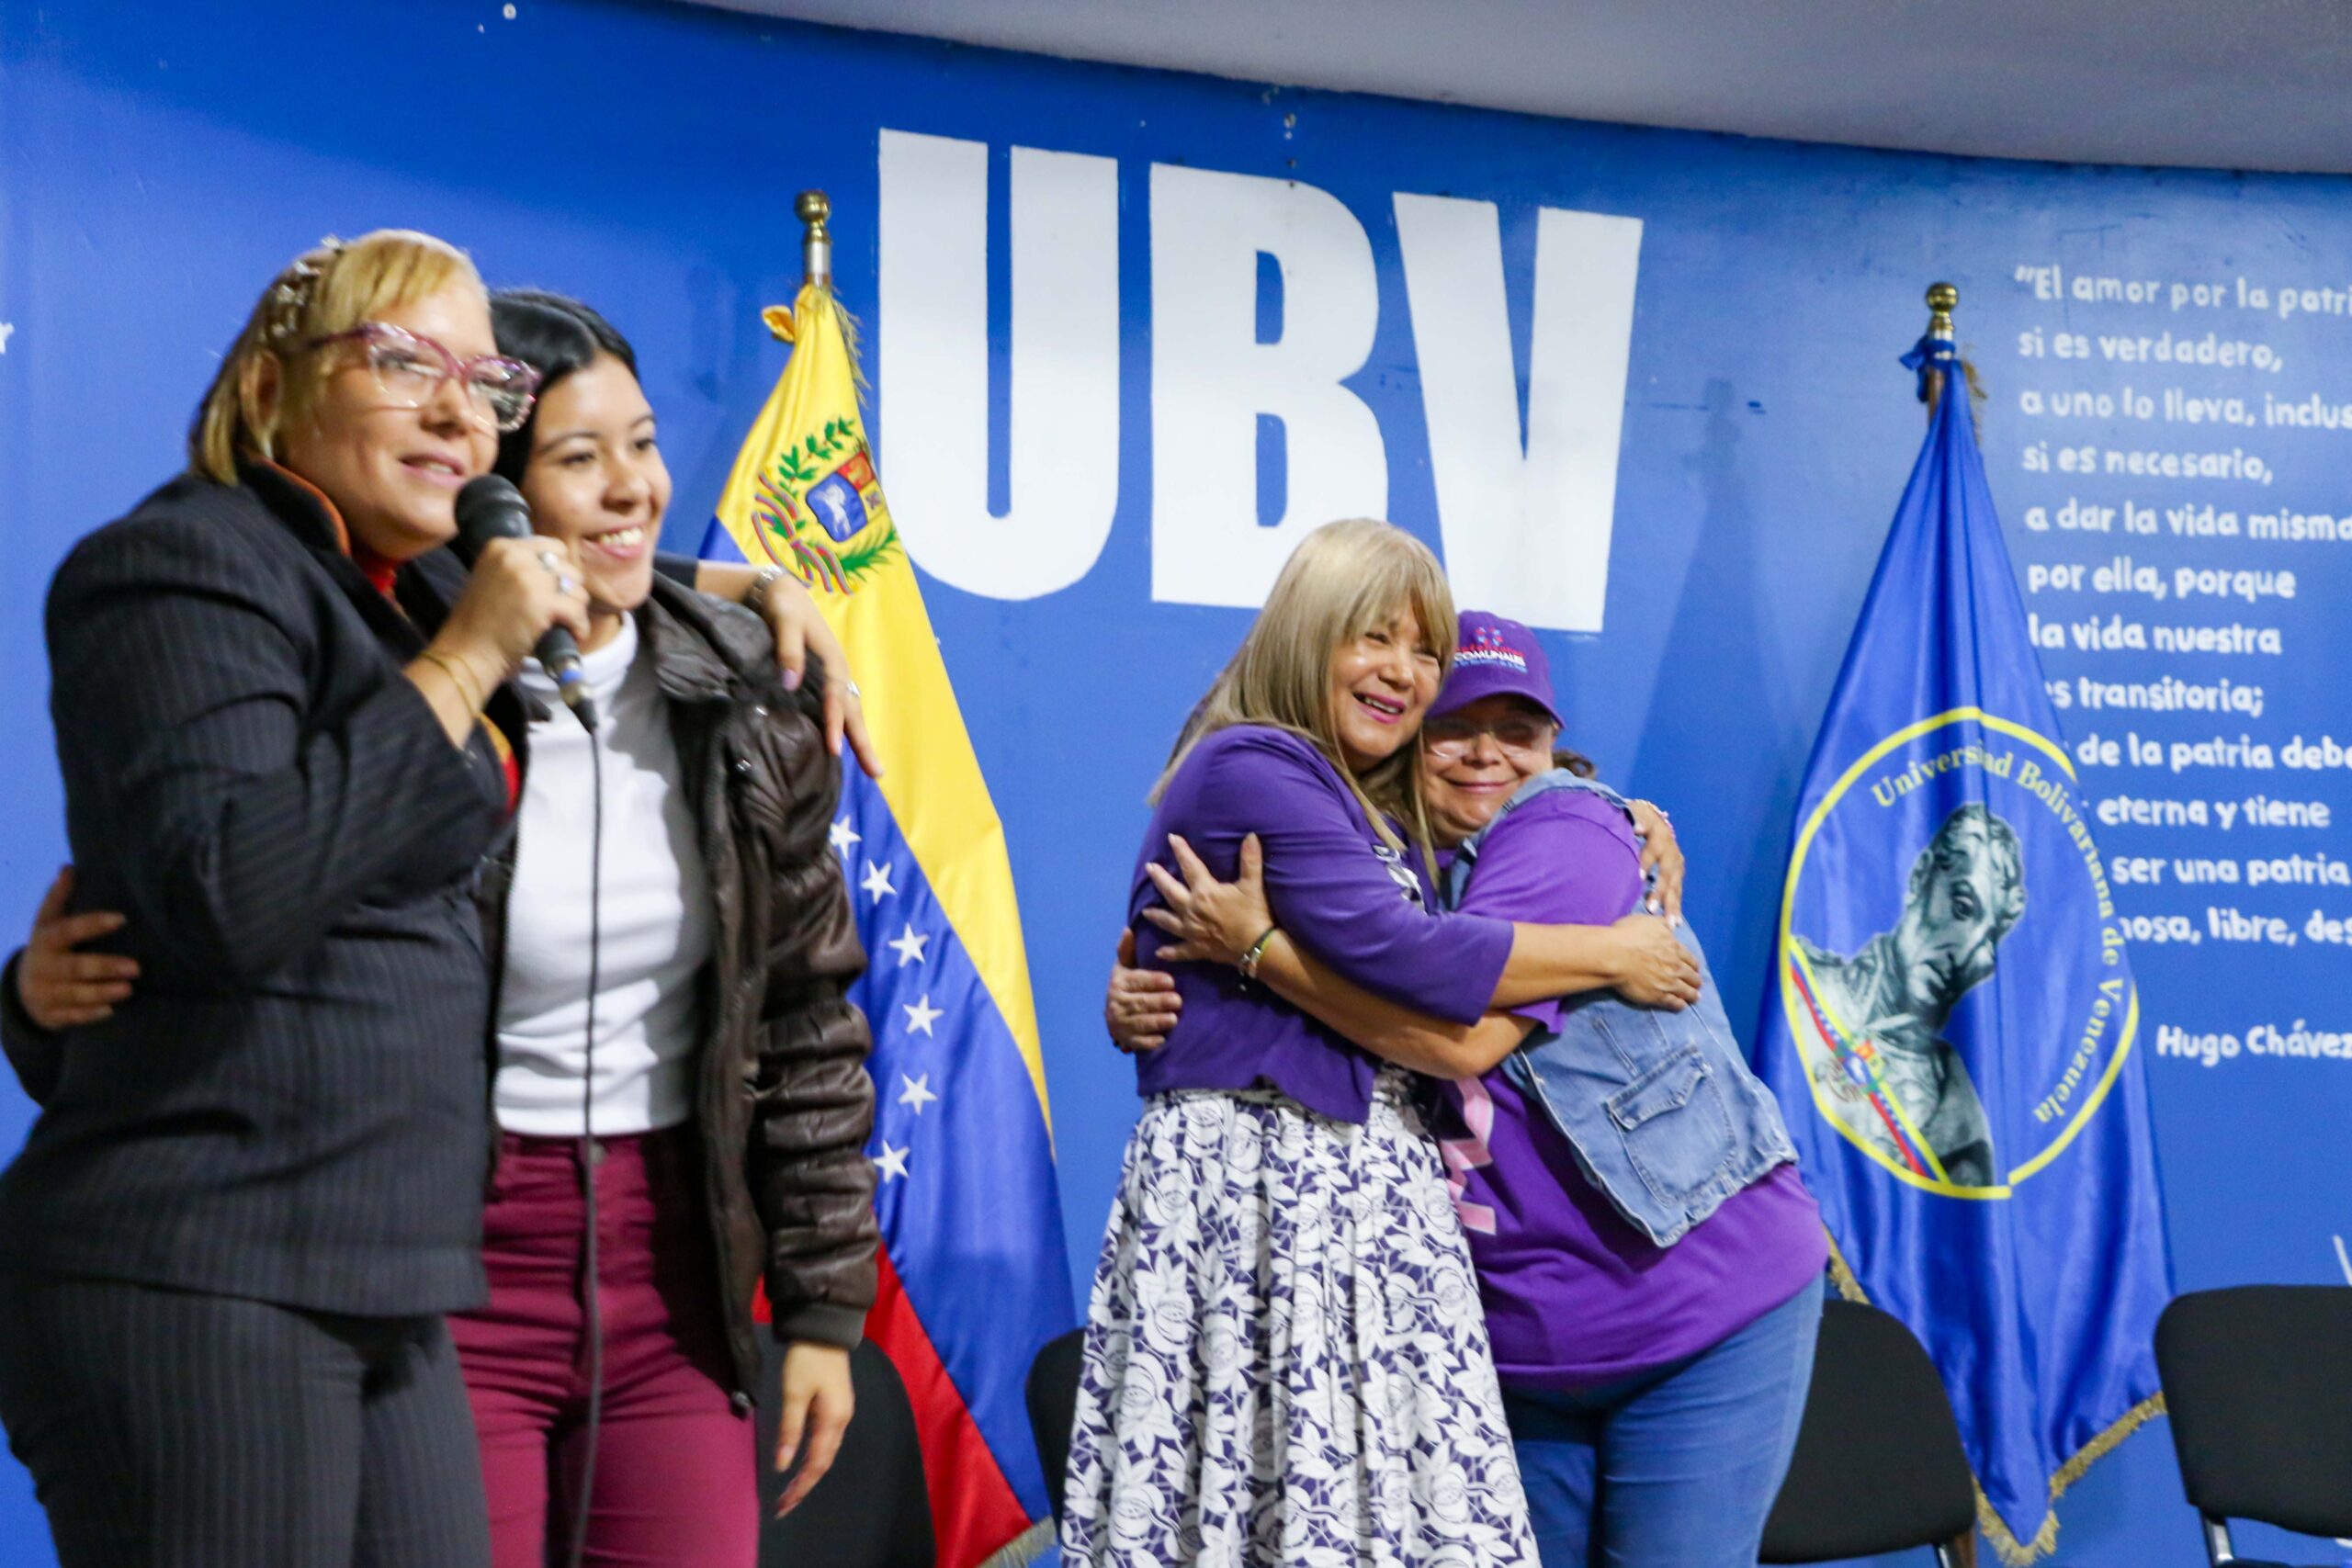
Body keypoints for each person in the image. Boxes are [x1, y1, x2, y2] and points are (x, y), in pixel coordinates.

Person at [5, 286, 881, 1568]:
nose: (633, 485)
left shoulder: (741, 687)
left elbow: (806, 1012)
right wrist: (29, 1001)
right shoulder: (380, 661)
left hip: (678, 1270)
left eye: (642, 442)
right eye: (579, 457)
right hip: (430, 1247)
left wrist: (819, 1301)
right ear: (491, 497)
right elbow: (226, 922)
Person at [0, 229, 583, 1568]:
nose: (456, 412)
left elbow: (616, 578)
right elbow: (231, 887)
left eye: (485, 384)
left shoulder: (422, 584)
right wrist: (467, 658)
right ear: (273, 386)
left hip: (391, 1265)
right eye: (401, 362)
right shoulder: (178, 567)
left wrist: (762, 581)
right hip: (205, 1261)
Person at [1114, 612, 1828, 1568]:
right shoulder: (1377, 868)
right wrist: (1148, 996)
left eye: (1519, 730)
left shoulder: (1567, 828)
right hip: (1518, 1343)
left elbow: (1459, 1036)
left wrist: (1260, 952)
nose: (1486, 755)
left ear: (1552, 748)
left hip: (1694, 1313)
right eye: (1456, 726)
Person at [1793, 802, 2021, 1187]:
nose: (1964, 954)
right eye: (1962, 907)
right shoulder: (1800, 986)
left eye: (1988, 942)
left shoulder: (1956, 1123)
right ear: (1920, 876)